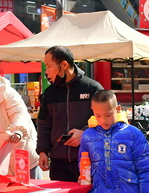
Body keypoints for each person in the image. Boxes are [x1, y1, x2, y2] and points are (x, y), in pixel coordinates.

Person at [36, 46, 102, 182]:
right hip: (58, 163)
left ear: (64, 65)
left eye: (48, 66)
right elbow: (44, 125)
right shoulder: (49, 94)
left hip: (88, 159)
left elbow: (106, 120)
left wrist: (85, 133)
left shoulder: (93, 89)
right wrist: (42, 151)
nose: (46, 72)